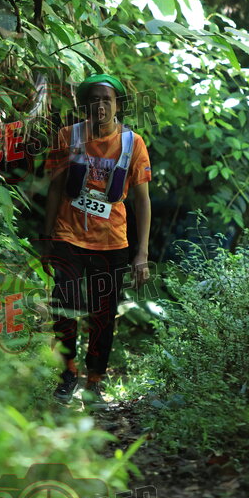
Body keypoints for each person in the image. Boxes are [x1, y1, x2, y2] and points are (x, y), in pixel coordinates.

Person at [42, 74, 152, 407]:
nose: (100, 106)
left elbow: (142, 201)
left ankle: (94, 382)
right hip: (68, 235)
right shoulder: (68, 136)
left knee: (103, 315)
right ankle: (67, 374)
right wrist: (46, 237)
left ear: (118, 105)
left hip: (112, 242)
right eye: (94, 99)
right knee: (65, 305)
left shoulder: (133, 144)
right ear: (85, 105)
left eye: (107, 100)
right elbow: (55, 189)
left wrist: (141, 253)